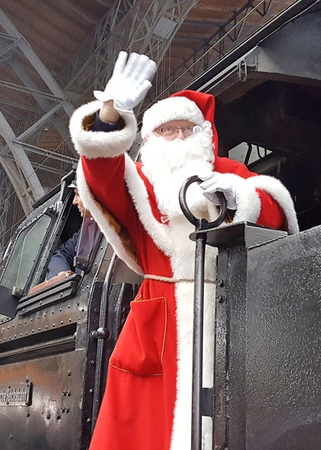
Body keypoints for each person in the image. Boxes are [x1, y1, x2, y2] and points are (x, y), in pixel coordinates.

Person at [69, 51, 299, 450]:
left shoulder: (229, 172)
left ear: (205, 136)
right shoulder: (140, 181)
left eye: (185, 130)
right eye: (166, 131)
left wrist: (242, 200)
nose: (177, 139)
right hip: (158, 326)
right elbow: (101, 174)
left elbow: (276, 209)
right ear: (149, 139)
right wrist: (109, 115)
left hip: (233, 311)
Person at [46, 185, 99, 279]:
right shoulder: (84, 230)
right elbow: (62, 254)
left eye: (78, 194)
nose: (74, 201)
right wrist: (62, 274)